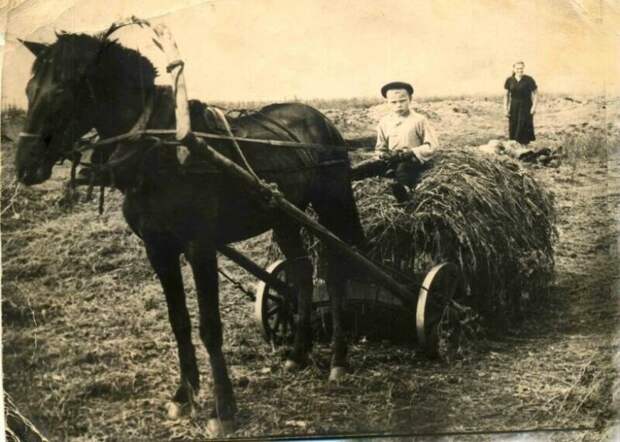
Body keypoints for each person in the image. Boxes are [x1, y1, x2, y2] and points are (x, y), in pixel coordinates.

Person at [374, 81, 439, 202]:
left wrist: (411, 152)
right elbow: (379, 148)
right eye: (393, 102)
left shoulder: (419, 120)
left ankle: (404, 190)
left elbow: (432, 145)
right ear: (387, 102)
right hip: (393, 158)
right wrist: (383, 155)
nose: (398, 105)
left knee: (403, 168)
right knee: (369, 167)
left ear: (410, 99)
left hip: (412, 160)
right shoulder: (384, 122)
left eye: (402, 101)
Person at [504, 61, 538, 145]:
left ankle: (525, 148)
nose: (520, 70)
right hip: (514, 106)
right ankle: (515, 148)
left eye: (521, 68)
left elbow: (536, 94)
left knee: (524, 126)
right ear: (514, 69)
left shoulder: (529, 79)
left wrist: (534, 107)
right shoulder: (509, 80)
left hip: (526, 106)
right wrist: (505, 108)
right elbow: (506, 95)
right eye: (518, 68)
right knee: (514, 125)